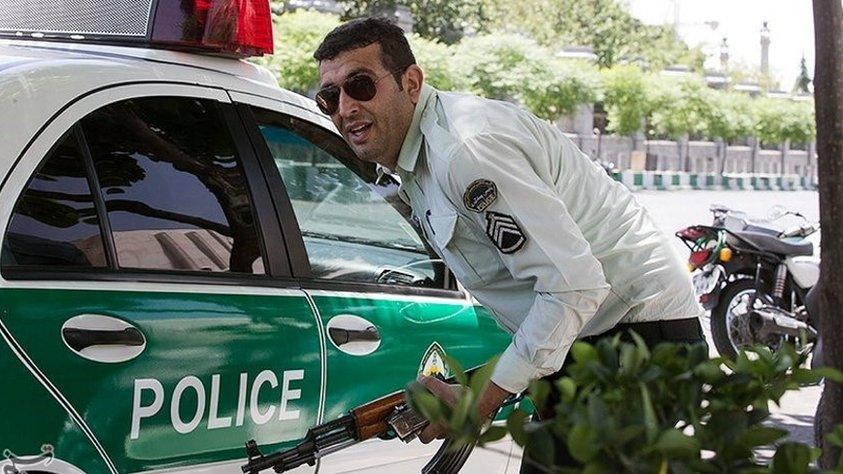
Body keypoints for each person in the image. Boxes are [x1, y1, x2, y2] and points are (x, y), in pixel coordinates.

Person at [313, 16, 705, 469]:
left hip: (637, 339)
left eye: (360, 85)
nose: (344, 108)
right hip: (587, 341)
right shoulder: (411, 164)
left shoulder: (466, 150)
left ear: (412, 82)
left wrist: (480, 400)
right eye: (329, 97)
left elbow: (572, 286)